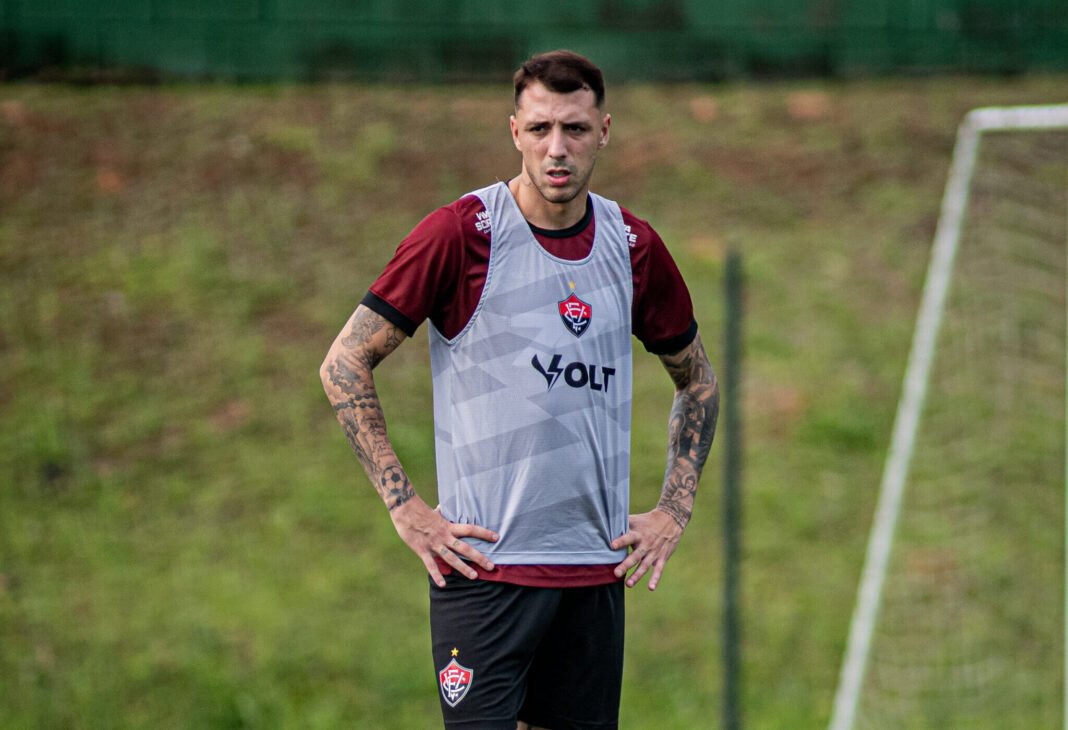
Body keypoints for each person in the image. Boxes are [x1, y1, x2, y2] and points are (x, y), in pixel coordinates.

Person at [320, 49, 718, 730]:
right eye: (540, 129)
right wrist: (405, 506)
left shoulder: (632, 246)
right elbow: (344, 363)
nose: (557, 148)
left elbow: (698, 382)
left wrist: (673, 510)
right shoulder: (462, 234)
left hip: (592, 575)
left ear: (604, 131)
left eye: (575, 128)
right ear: (515, 132)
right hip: (485, 572)